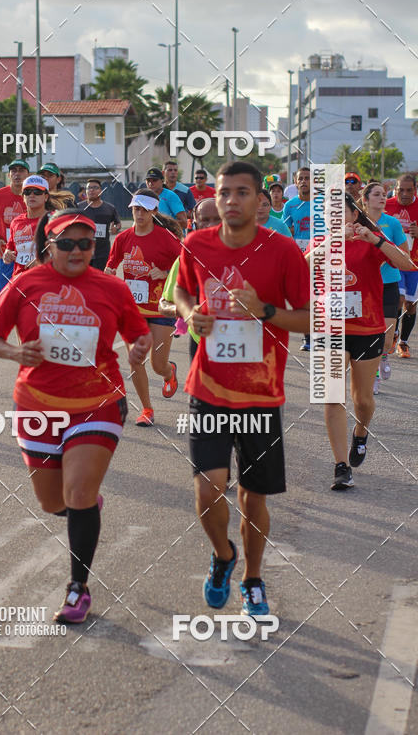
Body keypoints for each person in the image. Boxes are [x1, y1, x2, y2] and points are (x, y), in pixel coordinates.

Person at [0, 208, 152, 624]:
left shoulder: (112, 288)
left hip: (97, 404)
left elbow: (139, 332)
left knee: (76, 495)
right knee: (53, 502)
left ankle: (77, 588)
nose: (78, 250)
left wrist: (139, 348)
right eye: (67, 243)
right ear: (49, 246)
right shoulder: (27, 283)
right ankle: (85, 508)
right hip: (37, 404)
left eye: (86, 243)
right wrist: (13, 352)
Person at [174, 161, 310, 617]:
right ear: (214, 197)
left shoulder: (283, 250)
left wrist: (265, 310)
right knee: (209, 488)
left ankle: (252, 578)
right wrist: (191, 313)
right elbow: (183, 293)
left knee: (253, 497)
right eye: (224, 192)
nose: (231, 201)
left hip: (261, 395)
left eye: (242, 193)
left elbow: (311, 318)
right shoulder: (196, 244)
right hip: (208, 388)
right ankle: (222, 555)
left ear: (260, 201)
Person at [307, 193, 415, 490]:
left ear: (354, 214)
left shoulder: (372, 239)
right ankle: (341, 466)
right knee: (331, 396)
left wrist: (375, 240)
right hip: (329, 329)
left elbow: (407, 265)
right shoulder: (320, 242)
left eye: (338, 213)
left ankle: (361, 432)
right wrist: (333, 240)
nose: (332, 219)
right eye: (328, 214)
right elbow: (300, 267)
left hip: (367, 328)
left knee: (363, 400)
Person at [106, 190, 182, 426]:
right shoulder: (123, 239)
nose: (139, 214)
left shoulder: (166, 238)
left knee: (157, 364)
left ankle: (170, 372)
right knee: (134, 359)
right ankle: (146, 409)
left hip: (160, 309)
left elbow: (188, 266)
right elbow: (110, 268)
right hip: (132, 311)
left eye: (144, 210)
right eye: (135, 209)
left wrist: (166, 272)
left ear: (154, 211)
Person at [159, 198, 221, 362]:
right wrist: (184, 311)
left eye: (218, 219)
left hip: (241, 344)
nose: (211, 225)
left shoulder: (246, 256)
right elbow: (163, 304)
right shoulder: (185, 260)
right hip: (200, 342)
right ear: (194, 223)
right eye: (205, 220)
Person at [361, 182, 408, 394]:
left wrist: (386, 256)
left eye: (384, 194)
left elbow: (404, 254)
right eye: (377, 194)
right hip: (365, 285)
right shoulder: (358, 222)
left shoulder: (393, 223)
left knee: (387, 337)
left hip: (389, 283)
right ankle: (373, 375)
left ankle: (385, 354)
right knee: (369, 332)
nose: (382, 197)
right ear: (365, 199)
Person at [3, 175, 63, 276]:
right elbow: (10, 248)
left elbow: (64, 252)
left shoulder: (55, 220)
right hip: (20, 279)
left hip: (45, 279)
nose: (31, 195)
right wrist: (7, 254)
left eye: (37, 192)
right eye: (27, 192)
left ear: (46, 197)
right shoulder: (16, 222)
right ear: (23, 197)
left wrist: (43, 260)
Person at [385, 174, 418, 358]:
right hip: (393, 262)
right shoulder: (387, 205)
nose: (404, 194)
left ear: (415, 189)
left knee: (410, 304)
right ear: (395, 189)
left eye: (409, 190)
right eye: (401, 190)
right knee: (398, 298)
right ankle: (393, 336)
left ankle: (403, 342)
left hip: (414, 264)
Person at [0, 158, 29, 291]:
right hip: (6, 253)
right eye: (14, 171)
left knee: (27, 294)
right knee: (6, 293)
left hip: (27, 255)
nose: (17, 174)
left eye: (21, 171)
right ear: (9, 175)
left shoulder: (33, 196)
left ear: (28, 175)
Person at [284, 167, 311, 350]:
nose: (303, 181)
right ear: (295, 182)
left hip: (320, 252)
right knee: (305, 297)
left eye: (307, 178)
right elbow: (285, 231)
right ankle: (308, 337)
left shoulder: (321, 203)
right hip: (299, 256)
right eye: (300, 178)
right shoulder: (290, 205)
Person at [77, 178, 122, 271]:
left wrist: (115, 228)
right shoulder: (79, 208)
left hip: (102, 253)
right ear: (85, 191)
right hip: (83, 251)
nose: (92, 190)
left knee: (100, 281)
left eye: (95, 188)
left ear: (101, 191)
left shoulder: (109, 208)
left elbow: (118, 224)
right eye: (89, 188)